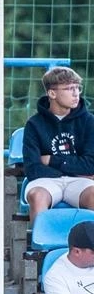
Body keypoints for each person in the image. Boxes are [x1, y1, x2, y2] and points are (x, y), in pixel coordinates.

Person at [23, 66, 94, 222]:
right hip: (46, 181)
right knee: (37, 196)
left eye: (77, 87)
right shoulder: (34, 124)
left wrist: (51, 160)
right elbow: (32, 169)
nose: (76, 93)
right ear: (52, 93)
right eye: (69, 88)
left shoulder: (89, 121)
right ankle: (40, 238)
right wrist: (72, 169)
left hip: (80, 182)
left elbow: (90, 165)